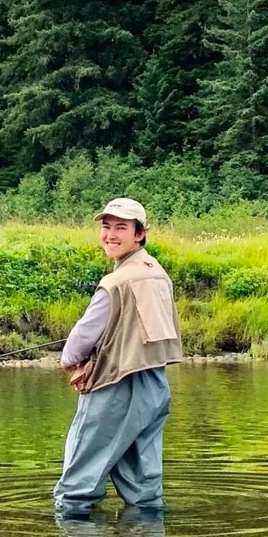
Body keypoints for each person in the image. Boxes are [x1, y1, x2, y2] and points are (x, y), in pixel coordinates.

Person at [54, 197, 183, 516]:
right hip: (155, 387)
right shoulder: (159, 273)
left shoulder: (114, 283)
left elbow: (79, 341)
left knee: (75, 491)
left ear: (139, 234)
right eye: (106, 227)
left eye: (121, 228)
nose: (110, 234)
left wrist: (70, 361)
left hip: (114, 389)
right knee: (145, 493)